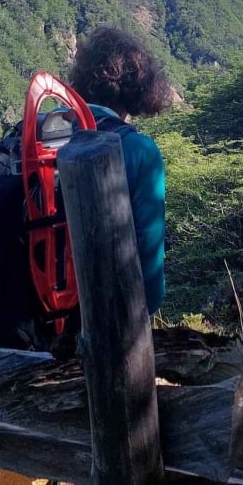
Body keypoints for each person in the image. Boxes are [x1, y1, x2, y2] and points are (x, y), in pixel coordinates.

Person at [66, 25, 171, 316]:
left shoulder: (33, 134)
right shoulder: (139, 151)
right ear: (140, 87)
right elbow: (149, 291)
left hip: (4, 325)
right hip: (95, 331)